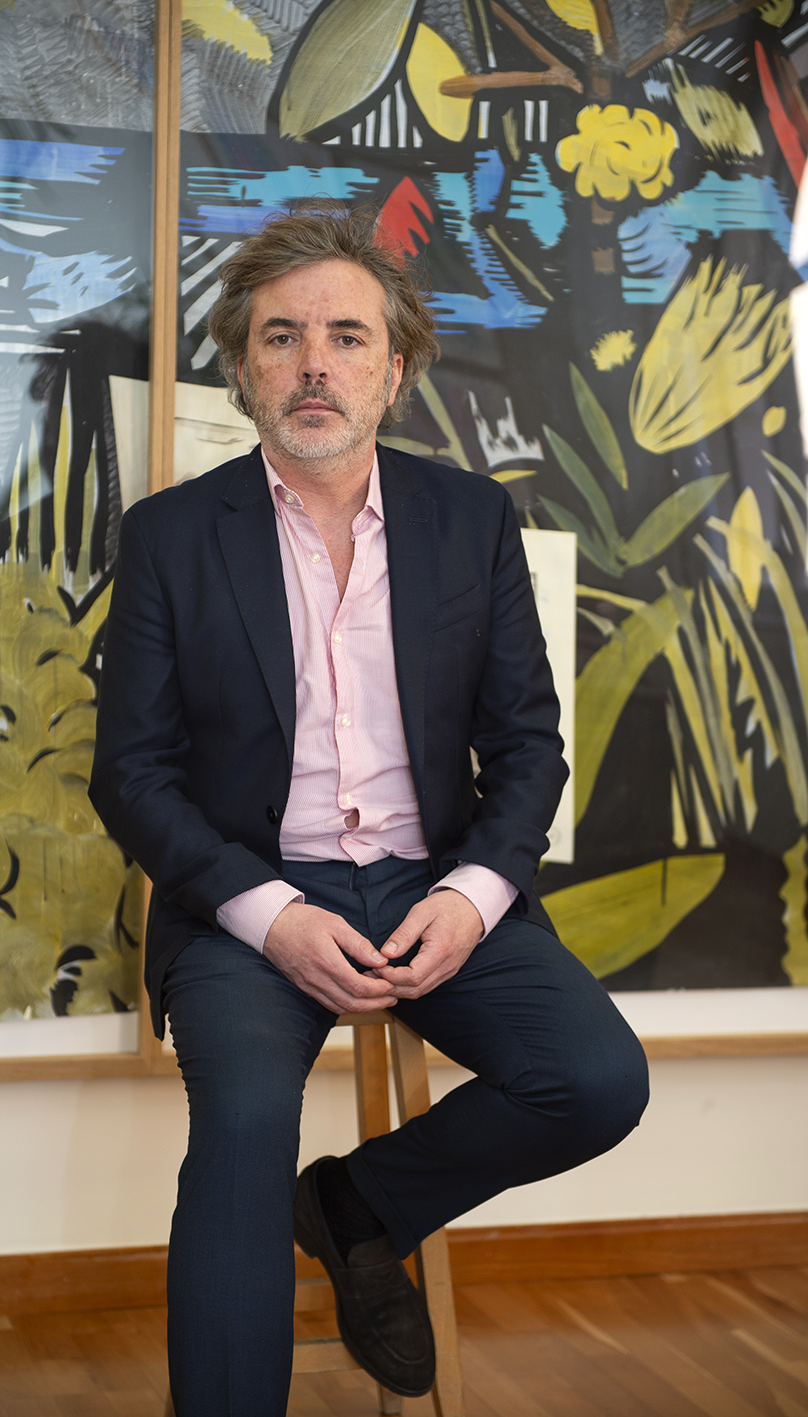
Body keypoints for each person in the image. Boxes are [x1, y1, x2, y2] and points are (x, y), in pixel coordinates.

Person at [89, 208, 649, 1417]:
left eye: (347, 337)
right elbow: (130, 773)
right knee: (243, 1130)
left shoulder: (471, 521)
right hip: (248, 898)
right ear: (243, 367)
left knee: (597, 1080)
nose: (314, 364)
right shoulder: (172, 537)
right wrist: (269, 914)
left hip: (428, 885)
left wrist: (473, 896)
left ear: (395, 370)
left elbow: (527, 746)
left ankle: (355, 1203)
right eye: (281, 337)